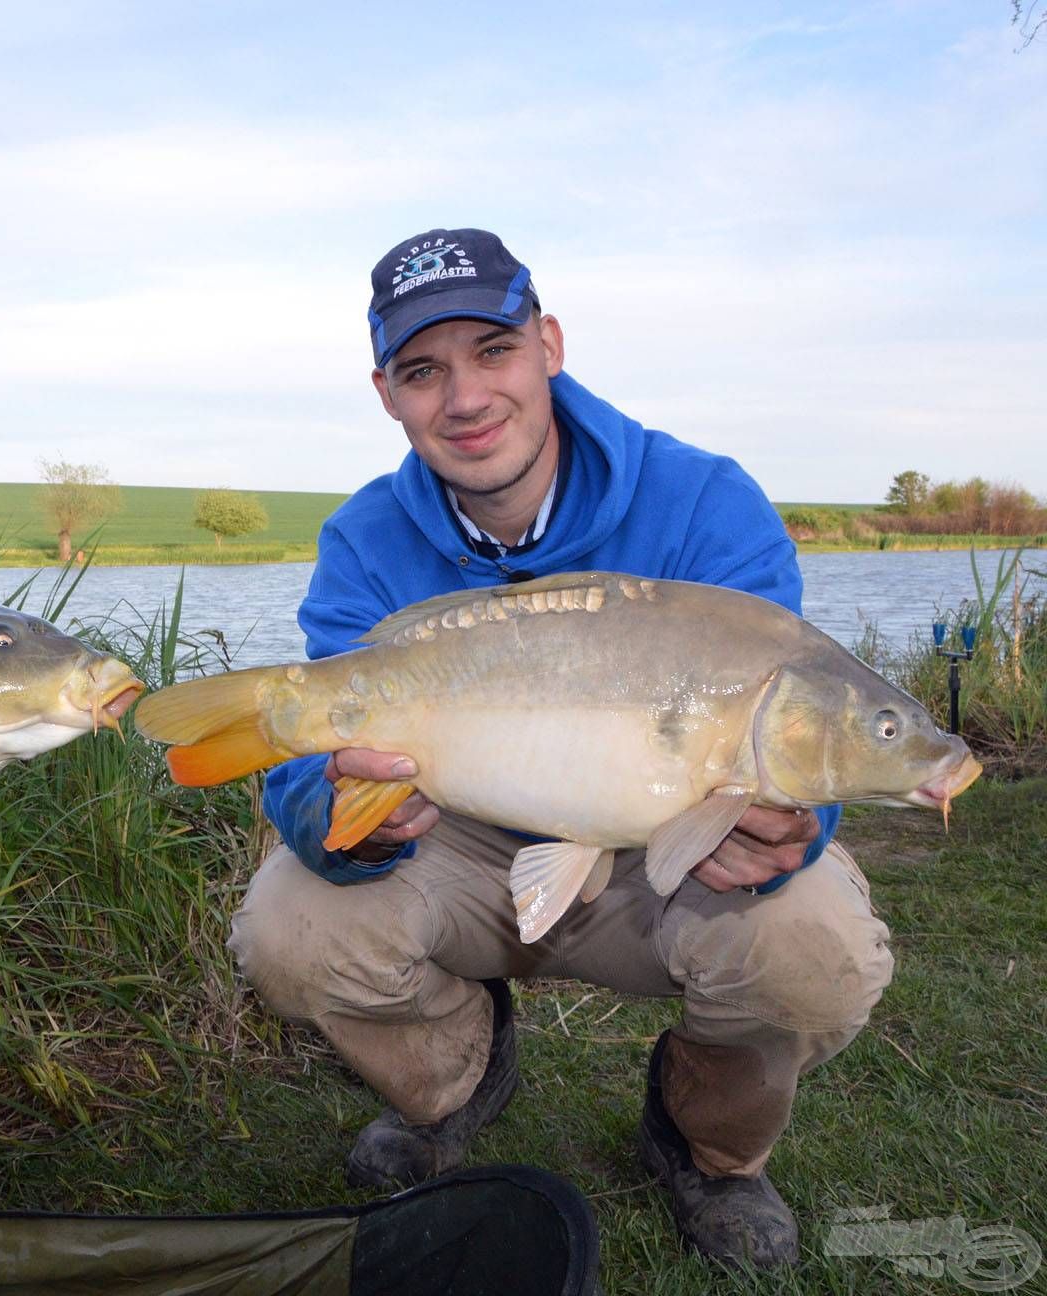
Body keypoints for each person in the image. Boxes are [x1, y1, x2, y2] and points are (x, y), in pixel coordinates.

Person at [228, 228, 892, 1268]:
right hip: (466, 841)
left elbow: (806, 720)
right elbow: (313, 768)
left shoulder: (705, 501)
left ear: (548, 344)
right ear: (386, 394)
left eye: (493, 351)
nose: (465, 398)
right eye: (423, 371)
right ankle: (455, 1077)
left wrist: (794, 835)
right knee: (289, 924)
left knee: (817, 949)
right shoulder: (365, 538)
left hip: (665, 850)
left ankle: (706, 1145)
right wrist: (340, 816)